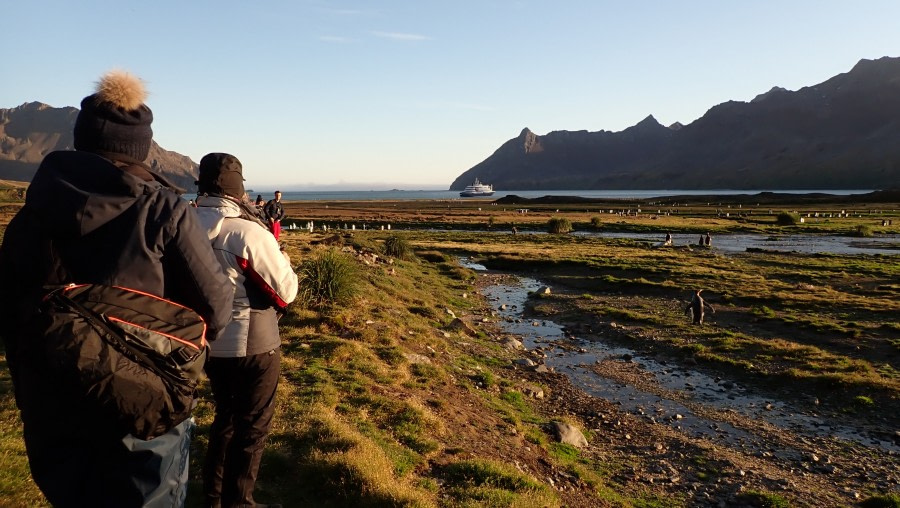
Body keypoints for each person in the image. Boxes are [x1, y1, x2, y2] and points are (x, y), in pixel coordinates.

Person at [0, 70, 233, 507]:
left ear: (80, 140)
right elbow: (216, 310)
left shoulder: (30, 215)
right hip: (141, 403)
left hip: (50, 400)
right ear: (140, 147)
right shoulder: (164, 209)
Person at [194, 154, 298, 508]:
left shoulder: (183, 225)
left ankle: (212, 497)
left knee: (224, 417)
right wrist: (281, 258)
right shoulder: (247, 231)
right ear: (238, 189)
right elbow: (285, 291)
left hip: (205, 342)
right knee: (252, 427)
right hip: (255, 343)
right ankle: (240, 502)